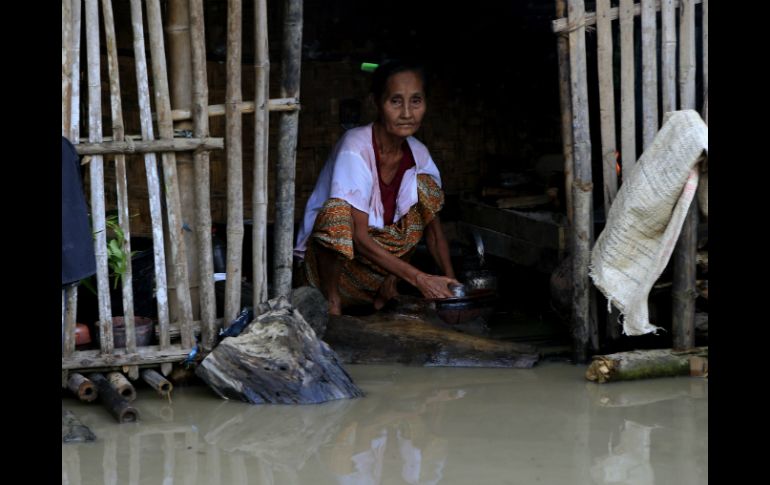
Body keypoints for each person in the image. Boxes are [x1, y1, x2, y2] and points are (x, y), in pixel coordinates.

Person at [294, 60, 459, 315]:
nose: (406, 112)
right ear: (376, 104)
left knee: (425, 192)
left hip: (382, 270)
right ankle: (332, 302)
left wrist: (452, 290)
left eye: (416, 101)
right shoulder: (355, 146)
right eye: (395, 101)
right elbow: (359, 239)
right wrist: (421, 279)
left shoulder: (419, 155)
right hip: (340, 271)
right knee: (336, 213)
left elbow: (435, 235)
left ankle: (387, 287)